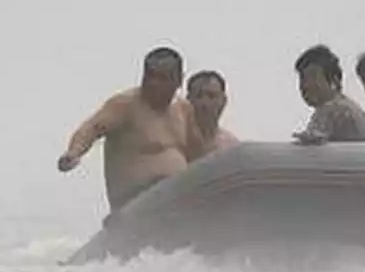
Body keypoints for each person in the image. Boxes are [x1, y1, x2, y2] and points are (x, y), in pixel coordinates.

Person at [56, 47, 194, 213]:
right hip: (133, 205)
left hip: (177, 202)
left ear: (179, 80)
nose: (154, 84)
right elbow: (91, 128)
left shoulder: (183, 110)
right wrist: (73, 152)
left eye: (163, 78)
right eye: (150, 77)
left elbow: (198, 151)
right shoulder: (125, 106)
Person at [292, 44, 365, 144]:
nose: (306, 85)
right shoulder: (346, 106)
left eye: (313, 76)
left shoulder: (335, 109)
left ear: (334, 81)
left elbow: (311, 154)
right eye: (303, 78)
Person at [185, 69, 240, 159]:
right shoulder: (175, 140)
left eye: (212, 96)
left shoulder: (231, 146)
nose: (204, 103)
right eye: (198, 96)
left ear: (223, 101)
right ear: (188, 100)